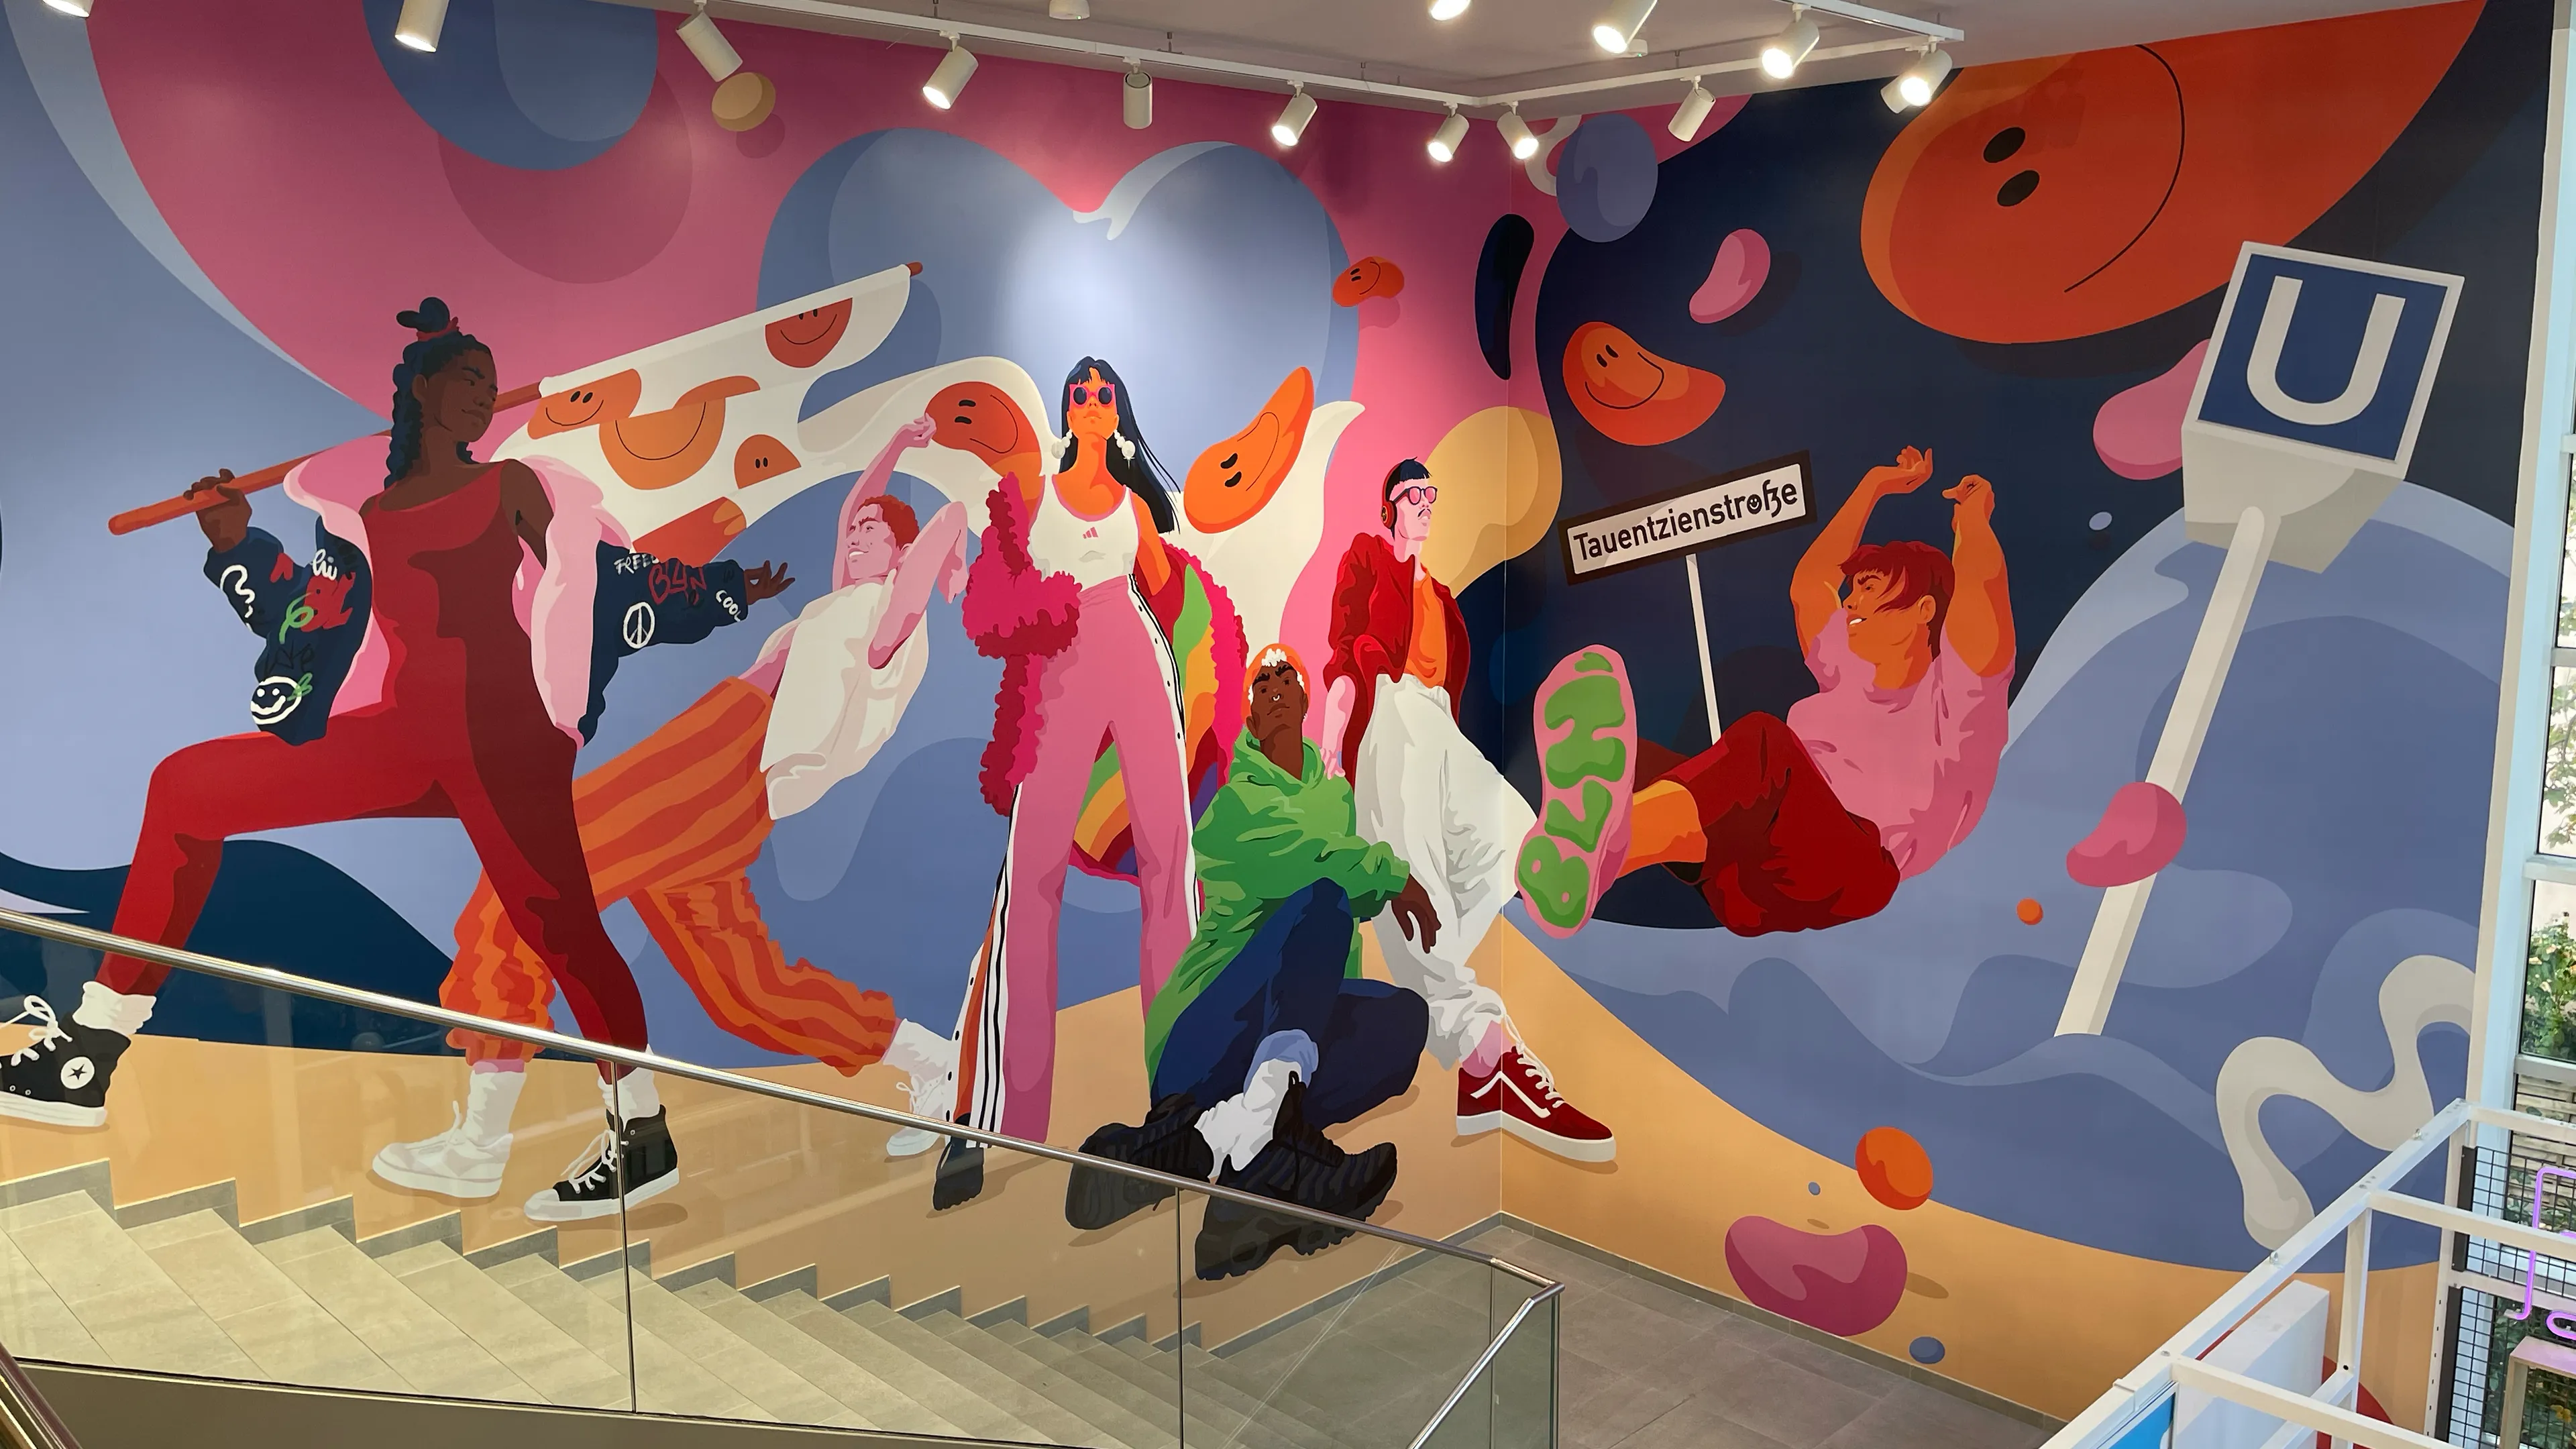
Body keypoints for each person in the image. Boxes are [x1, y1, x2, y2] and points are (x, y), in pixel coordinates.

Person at [0, 301, 680, 1222]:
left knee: (560, 930)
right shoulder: (369, 514)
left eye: (490, 383)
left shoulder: (512, 484)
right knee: (186, 788)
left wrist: (558, 719)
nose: (485, 396)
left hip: (503, 738)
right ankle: (93, 1048)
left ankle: (641, 1132)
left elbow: (576, 583)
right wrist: (236, 540)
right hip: (399, 735)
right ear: (421, 389)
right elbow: (307, 620)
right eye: (468, 379)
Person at [370, 417, 969, 1204]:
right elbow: (857, 504)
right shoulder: (838, 604)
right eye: (853, 533)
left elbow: (929, 548)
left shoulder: (890, 622)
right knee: (746, 992)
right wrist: (894, 447)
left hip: (723, 762)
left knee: (521, 890)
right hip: (723, 780)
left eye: (875, 535)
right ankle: (935, 1062)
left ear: (903, 555)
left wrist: (954, 519)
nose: (856, 537)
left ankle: (484, 1144)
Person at [1521, 445, 2015, 938]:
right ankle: (1573, 865)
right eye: (1854, 590)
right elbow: (1812, 584)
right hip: (1746, 878)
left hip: (1852, 872)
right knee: (1638, 763)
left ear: (1924, 611)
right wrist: (1874, 486)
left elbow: (1980, 594)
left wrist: (1972, 520)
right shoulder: (1847, 668)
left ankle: (1597, 852)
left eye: (1869, 588)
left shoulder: (1957, 700)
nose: (1850, 602)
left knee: (1764, 747)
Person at [1066, 646, 1431, 1278]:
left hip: (1282, 1037)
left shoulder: (1335, 799)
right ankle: (1254, 1133)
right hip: (1201, 1041)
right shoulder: (1232, 811)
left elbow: (1340, 868)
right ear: (1252, 716)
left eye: (1287, 677)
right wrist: (1393, 875)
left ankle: (1221, 1140)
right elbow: (1318, 864)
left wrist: (1371, 875)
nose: (1276, 687)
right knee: (1321, 898)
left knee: (1404, 1021)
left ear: (1307, 700)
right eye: (1261, 683)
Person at [932, 359, 1203, 1208]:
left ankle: (1187, 1092)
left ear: (1119, 411)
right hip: (1060, 664)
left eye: (1103, 394)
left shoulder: (1134, 506)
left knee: (1170, 865)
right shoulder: (1031, 494)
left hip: (1135, 650)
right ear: (1066, 410)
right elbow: (993, 598)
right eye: (1079, 394)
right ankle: (995, 1118)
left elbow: (1168, 590)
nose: (1090, 402)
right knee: (1030, 877)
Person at [1323, 459, 1615, 1164]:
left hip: (1437, 727)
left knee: (1512, 834)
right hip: (1388, 715)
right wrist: (1333, 745)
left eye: (1430, 494)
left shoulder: (1445, 601)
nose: (1424, 503)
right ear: (1389, 508)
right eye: (1411, 495)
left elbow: (1448, 691)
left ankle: (1448, 993)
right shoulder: (1367, 558)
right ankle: (1485, 1054)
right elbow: (1345, 653)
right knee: (1416, 874)